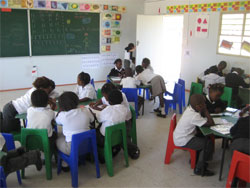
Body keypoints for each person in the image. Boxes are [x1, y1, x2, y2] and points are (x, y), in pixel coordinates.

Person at [173, 94, 215, 176]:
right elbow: (211, 123)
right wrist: (206, 110)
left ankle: (196, 159)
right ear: (198, 106)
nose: (205, 105)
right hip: (183, 140)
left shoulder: (190, 108)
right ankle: (199, 169)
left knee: (203, 136)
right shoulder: (194, 116)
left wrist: (203, 108)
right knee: (208, 144)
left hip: (180, 136)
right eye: (204, 104)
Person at [55, 92, 95, 157]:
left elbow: (57, 121)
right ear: (77, 101)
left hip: (72, 149)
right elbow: (92, 120)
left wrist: (60, 111)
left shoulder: (62, 115)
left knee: (57, 138)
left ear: (61, 106)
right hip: (89, 144)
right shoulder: (86, 110)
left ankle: (65, 162)